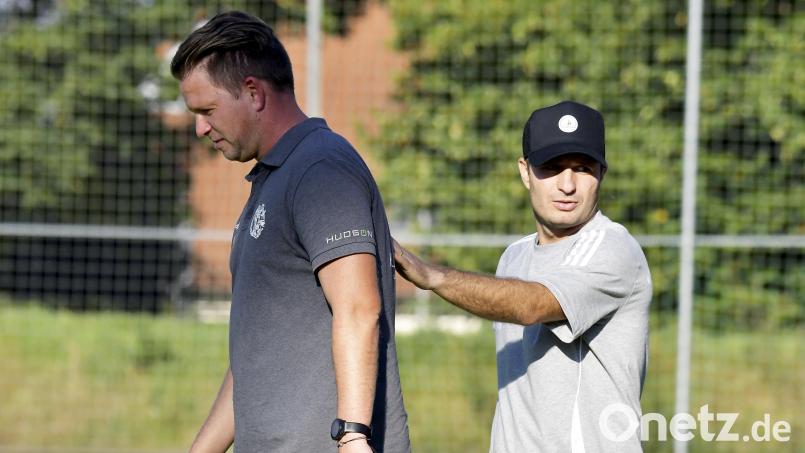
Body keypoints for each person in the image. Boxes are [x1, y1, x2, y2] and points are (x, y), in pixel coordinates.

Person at [171, 11, 410, 453]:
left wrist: (354, 435)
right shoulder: (270, 181)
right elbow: (253, 357)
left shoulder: (320, 168)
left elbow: (358, 308)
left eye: (206, 110)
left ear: (252, 92)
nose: (201, 127)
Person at [394, 101, 652, 452]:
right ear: (525, 171)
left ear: (602, 174)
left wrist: (433, 277)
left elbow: (532, 305)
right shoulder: (513, 257)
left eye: (582, 168)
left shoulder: (612, 248)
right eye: (552, 167)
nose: (568, 184)